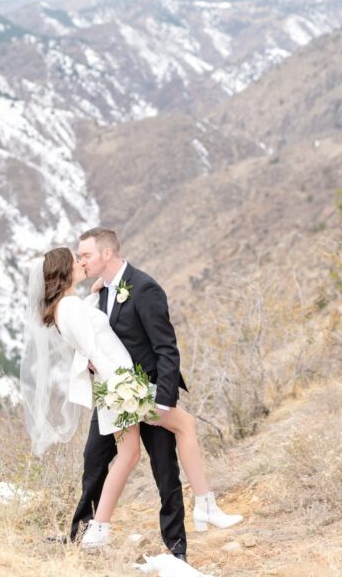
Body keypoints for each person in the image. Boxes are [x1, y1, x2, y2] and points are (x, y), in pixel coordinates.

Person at [20, 229, 241, 559]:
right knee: (185, 426)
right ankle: (205, 504)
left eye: (85, 256)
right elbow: (92, 346)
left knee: (128, 456)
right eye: (75, 259)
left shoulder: (72, 304)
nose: (81, 262)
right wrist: (126, 392)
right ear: (64, 271)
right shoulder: (71, 308)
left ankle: (98, 531)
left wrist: (95, 295)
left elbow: (89, 330)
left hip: (117, 388)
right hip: (124, 388)